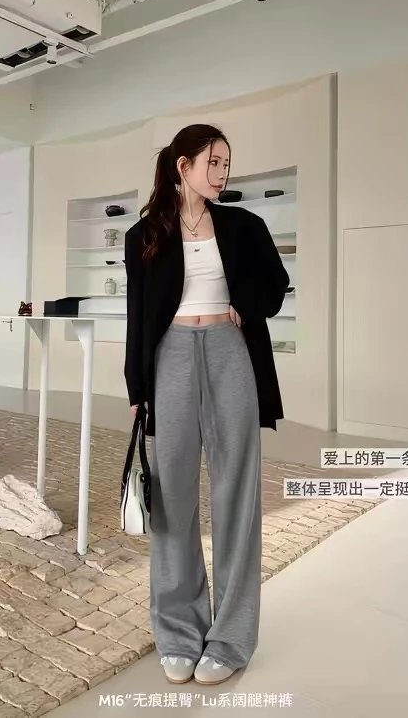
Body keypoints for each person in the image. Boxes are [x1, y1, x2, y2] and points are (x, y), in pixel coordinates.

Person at [123, 124, 289, 686]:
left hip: (228, 351)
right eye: (213, 162)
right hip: (169, 354)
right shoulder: (145, 234)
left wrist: (242, 305)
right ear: (183, 165)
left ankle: (232, 637)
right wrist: (137, 387)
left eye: (226, 164)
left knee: (236, 491)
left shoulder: (244, 225)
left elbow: (276, 284)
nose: (222, 173)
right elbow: (138, 315)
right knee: (171, 494)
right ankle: (177, 630)